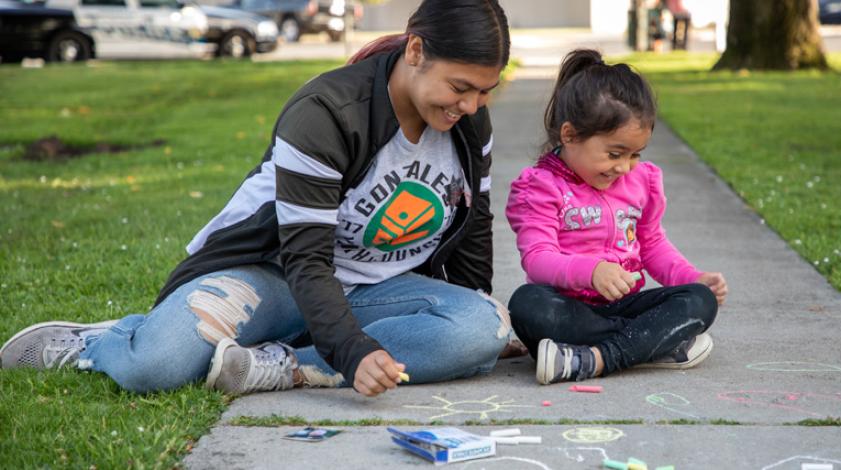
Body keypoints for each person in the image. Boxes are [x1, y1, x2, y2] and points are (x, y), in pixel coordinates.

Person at [0, 0, 514, 398]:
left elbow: (475, 222)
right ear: (417, 51)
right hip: (276, 275)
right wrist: (354, 351)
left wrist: (473, 304)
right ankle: (103, 341)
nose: (470, 106)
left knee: (480, 328)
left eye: (485, 92)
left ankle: (289, 365)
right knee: (153, 367)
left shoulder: (468, 123)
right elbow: (306, 258)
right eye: (461, 87)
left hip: (374, 289)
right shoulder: (327, 113)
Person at [505, 49, 727, 385]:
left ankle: (593, 358)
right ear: (570, 135)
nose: (624, 167)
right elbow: (538, 259)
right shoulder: (540, 187)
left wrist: (690, 277)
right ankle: (651, 344)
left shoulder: (642, 181)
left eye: (635, 154)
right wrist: (591, 271)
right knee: (526, 305)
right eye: (614, 154)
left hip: (624, 304)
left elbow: (651, 243)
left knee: (700, 300)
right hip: (568, 310)